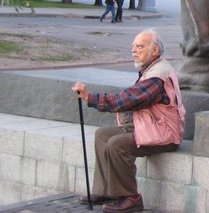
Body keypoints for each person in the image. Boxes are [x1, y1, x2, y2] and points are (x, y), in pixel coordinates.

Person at [72, 29, 185, 213]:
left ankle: (131, 197)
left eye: (140, 46)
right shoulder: (150, 69)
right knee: (103, 135)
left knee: (118, 144)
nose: (134, 50)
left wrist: (90, 98)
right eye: (133, 46)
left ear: (155, 50)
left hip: (164, 135)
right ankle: (107, 191)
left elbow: (129, 99)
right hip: (149, 129)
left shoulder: (158, 75)